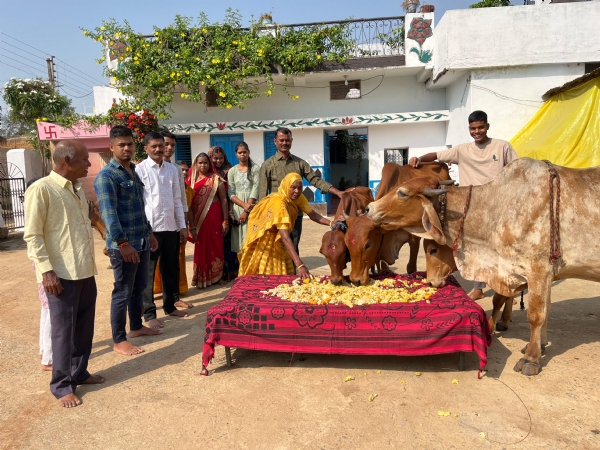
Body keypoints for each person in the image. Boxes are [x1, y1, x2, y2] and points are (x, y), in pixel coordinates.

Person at [24, 140, 105, 408]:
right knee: (62, 332)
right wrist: (46, 271)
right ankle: (61, 385)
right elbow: (33, 235)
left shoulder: (78, 189)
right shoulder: (41, 190)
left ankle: (79, 372)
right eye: (85, 160)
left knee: (84, 327)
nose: (89, 165)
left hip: (83, 269)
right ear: (67, 161)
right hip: (59, 274)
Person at [408, 110, 518, 300]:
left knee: (499, 246)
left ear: (487, 126)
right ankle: (478, 287)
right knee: (473, 247)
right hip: (471, 207)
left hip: (498, 205)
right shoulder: (461, 150)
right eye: (473, 128)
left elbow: (516, 170)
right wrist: (418, 158)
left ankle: (505, 284)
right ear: (469, 129)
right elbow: (437, 155)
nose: (477, 131)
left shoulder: (502, 147)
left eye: (481, 127)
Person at [94, 126, 160, 357]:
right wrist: (123, 244)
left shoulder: (133, 170)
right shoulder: (106, 177)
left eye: (129, 144)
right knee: (122, 291)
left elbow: (140, 208)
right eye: (121, 145)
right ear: (111, 147)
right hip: (124, 246)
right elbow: (109, 214)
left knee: (138, 288)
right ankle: (119, 339)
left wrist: (149, 233)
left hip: (141, 241)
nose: (126, 148)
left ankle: (136, 326)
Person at [258, 127, 346, 255]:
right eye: (281, 140)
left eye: (287, 140)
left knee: (293, 245)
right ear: (275, 141)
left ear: (291, 141)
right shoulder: (268, 165)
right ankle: (281, 275)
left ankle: (294, 273)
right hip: (277, 214)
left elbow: (315, 180)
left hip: (295, 214)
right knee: (276, 247)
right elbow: (262, 193)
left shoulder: (300, 163)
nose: (284, 143)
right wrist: (263, 216)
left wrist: (337, 192)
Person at [136, 131, 190, 329]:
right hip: (150, 229)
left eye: (162, 145)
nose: (159, 149)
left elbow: (177, 198)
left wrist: (182, 226)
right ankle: (149, 313)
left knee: (170, 268)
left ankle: (170, 306)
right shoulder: (139, 170)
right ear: (146, 148)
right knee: (148, 272)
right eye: (154, 146)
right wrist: (146, 231)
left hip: (171, 226)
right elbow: (140, 202)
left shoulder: (172, 170)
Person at [239, 172, 335, 279]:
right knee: (268, 276)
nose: (297, 191)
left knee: (283, 275)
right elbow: (285, 236)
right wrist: (299, 264)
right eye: (293, 188)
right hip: (267, 241)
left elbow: (312, 215)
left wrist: (331, 223)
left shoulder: (298, 198)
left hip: (280, 240)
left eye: (299, 188)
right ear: (286, 186)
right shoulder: (279, 203)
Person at [153, 160, 195, 298]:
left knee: (175, 262)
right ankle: (155, 294)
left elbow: (185, 207)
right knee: (155, 264)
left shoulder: (188, 189)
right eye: (181, 170)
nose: (183, 172)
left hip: (177, 227)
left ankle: (175, 293)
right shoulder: (147, 172)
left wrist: (186, 227)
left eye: (185, 170)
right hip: (158, 226)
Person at [187, 152, 229, 288]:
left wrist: (225, 220)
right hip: (198, 219)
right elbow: (188, 204)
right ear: (195, 164)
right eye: (200, 162)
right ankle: (201, 278)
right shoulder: (190, 181)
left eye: (205, 162)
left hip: (215, 216)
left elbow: (223, 199)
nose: (203, 165)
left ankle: (217, 277)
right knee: (201, 246)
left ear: (209, 164)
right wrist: (191, 225)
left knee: (216, 246)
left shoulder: (216, 179)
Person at [209, 146, 237, 281]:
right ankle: (214, 274)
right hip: (212, 210)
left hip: (228, 207)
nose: (218, 161)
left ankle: (229, 271)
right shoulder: (207, 171)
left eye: (220, 158)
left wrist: (230, 211)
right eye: (215, 158)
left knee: (228, 240)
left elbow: (232, 190)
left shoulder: (229, 169)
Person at [228, 142, 260, 254]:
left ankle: (252, 269)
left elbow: (255, 190)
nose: (243, 155)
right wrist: (242, 205)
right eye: (240, 152)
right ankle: (241, 268)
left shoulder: (255, 169)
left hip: (252, 207)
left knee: (251, 237)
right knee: (239, 240)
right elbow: (230, 193)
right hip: (238, 208)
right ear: (236, 154)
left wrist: (246, 210)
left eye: (244, 152)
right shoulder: (232, 171)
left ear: (248, 152)